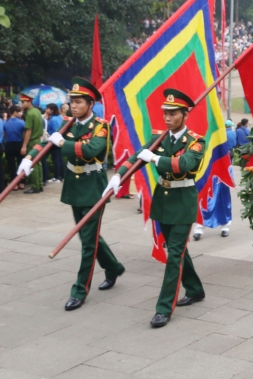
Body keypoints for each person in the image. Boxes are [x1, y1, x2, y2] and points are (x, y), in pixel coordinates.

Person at [21, 78, 125, 311]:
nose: (74, 106)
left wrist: (62, 144)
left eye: (79, 102)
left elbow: (89, 150)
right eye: (72, 102)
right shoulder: (69, 124)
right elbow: (47, 142)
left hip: (93, 187)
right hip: (74, 186)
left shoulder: (101, 126)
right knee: (89, 236)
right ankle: (114, 267)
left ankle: (79, 289)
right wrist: (29, 158)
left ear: (90, 104)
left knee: (88, 241)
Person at [108, 88, 207, 328]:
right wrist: (119, 176)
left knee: (173, 254)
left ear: (185, 114)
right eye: (165, 113)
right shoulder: (158, 138)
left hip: (183, 201)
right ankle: (195, 289)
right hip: (163, 200)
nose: (167, 118)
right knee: (176, 249)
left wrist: (154, 159)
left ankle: (164, 308)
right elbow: (135, 157)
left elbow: (183, 165)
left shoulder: (195, 141)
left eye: (173, 114)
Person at [19, 93, 45, 194]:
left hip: (32, 140)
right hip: (38, 140)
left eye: (23, 102)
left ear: (29, 102)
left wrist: (24, 145)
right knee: (38, 163)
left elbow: (28, 131)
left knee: (32, 163)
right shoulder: (37, 111)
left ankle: (35, 186)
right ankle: (39, 184)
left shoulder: (30, 114)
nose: (21, 104)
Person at [3, 106, 26, 186]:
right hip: (19, 144)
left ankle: (14, 184)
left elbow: (4, 135)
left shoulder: (5, 123)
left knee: (11, 165)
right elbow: (24, 135)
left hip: (9, 145)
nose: (21, 113)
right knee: (21, 163)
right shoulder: (22, 122)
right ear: (15, 112)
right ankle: (22, 182)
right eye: (19, 111)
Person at [45, 103, 65, 184]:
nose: (46, 110)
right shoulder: (59, 117)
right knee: (60, 158)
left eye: (48, 109)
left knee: (56, 159)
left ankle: (57, 176)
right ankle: (62, 175)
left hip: (54, 141)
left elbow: (54, 131)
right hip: (61, 140)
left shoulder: (53, 119)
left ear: (52, 110)